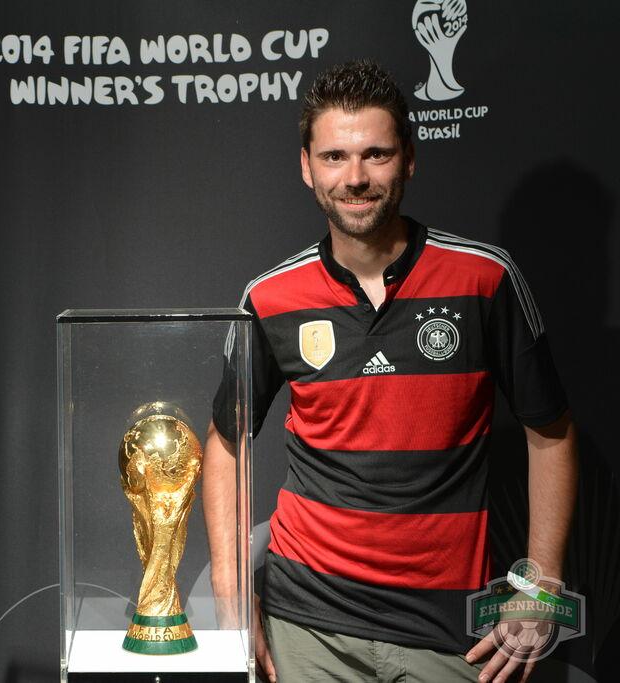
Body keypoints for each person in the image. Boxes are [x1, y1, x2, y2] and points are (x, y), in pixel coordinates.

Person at [203, 60, 578, 683]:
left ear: (409, 159)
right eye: (334, 157)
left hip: (451, 635)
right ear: (307, 167)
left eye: (375, 154)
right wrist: (230, 588)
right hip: (306, 628)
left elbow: (553, 433)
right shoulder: (269, 297)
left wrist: (542, 585)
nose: (355, 178)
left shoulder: (485, 277)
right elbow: (226, 440)